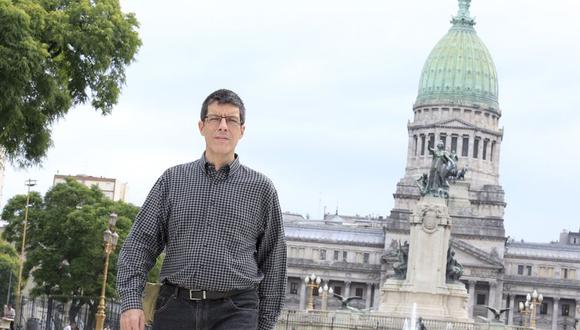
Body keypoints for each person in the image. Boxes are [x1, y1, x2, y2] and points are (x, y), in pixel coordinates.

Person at [117, 89, 287, 330]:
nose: (223, 126)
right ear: (201, 126)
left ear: (242, 130)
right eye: (215, 118)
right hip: (175, 307)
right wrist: (131, 301)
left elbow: (274, 262)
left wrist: (266, 324)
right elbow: (139, 244)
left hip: (236, 312)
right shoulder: (172, 180)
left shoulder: (261, 190)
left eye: (232, 120)